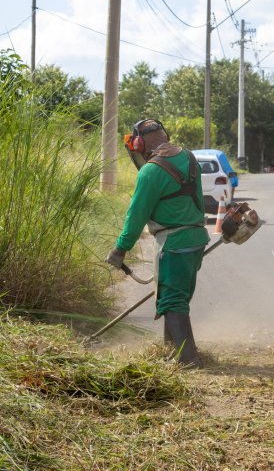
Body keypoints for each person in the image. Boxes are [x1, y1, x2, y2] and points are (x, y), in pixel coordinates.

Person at [106, 119, 210, 366]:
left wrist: (120, 248)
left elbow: (136, 215)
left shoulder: (151, 171)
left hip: (173, 243)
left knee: (172, 300)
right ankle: (171, 350)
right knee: (175, 297)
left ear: (139, 144)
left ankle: (187, 358)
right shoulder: (189, 157)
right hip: (197, 239)